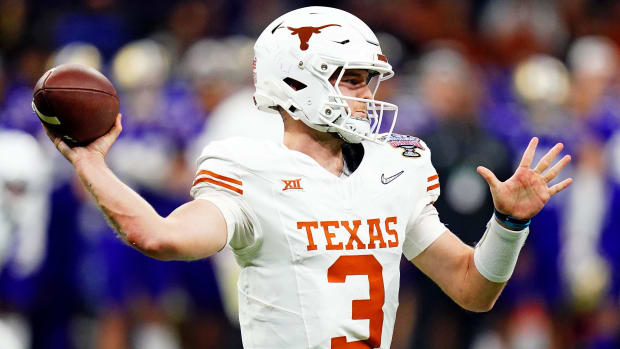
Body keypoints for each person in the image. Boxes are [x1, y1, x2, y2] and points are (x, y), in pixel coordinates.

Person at [41, 7, 572, 349]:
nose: (368, 95)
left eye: (371, 81)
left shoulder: (398, 167)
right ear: (295, 82)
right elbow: (157, 236)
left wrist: (507, 224)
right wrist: (90, 162)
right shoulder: (247, 168)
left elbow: (472, 290)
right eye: (354, 80)